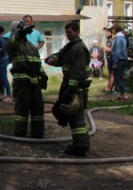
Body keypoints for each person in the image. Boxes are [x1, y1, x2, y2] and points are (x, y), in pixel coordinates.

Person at [46, 21, 91, 157]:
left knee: (77, 118)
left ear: (76, 32)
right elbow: (61, 55)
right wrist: (52, 58)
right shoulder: (70, 47)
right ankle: (78, 144)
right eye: (66, 32)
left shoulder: (79, 49)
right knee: (71, 116)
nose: (67, 35)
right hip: (69, 86)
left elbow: (77, 72)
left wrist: (70, 90)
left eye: (70, 32)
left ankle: (81, 147)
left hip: (76, 88)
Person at [7, 20, 46, 138]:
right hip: (22, 82)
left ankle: (38, 133)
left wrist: (43, 75)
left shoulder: (31, 46)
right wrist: (21, 32)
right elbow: (14, 41)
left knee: (38, 108)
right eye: (22, 30)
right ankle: (20, 132)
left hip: (35, 81)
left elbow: (37, 62)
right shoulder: (12, 44)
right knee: (22, 109)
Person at [0, 23, 12, 102]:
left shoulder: (1, 39)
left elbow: (4, 49)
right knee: (0, 77)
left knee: (3, 77)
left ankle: (9, 95)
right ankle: (1, 93)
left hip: (3, 60)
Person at [110, 24, 129, 101]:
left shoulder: (118, 38)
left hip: (119, 59)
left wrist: (115, 62)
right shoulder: (124, 37)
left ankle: (123, 95)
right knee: (121, 77)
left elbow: (117, 51)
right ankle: (122, 95)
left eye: (112, 29)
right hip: (124, 59)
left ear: (114, 29)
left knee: (117, 78)